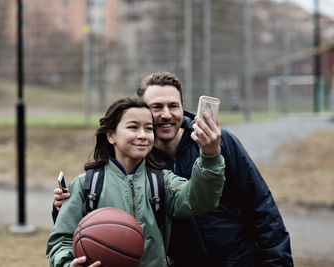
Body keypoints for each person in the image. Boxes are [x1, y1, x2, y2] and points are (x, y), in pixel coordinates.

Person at [53, 72, 293, 266]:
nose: (166, 115)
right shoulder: (131, 166)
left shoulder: (216, 144)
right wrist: (62, 209)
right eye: (156, 107)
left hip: (238, 260)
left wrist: (210, 154)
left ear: (182, 107)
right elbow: (77, 229)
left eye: (173, 106)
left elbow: (261, 206)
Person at [47, 97, 226, 267]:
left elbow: (200, 199)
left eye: (149, 129)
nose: (142, 135)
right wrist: (68, 263)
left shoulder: (163, 181)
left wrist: (210, 157)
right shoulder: (87, 184)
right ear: (111, 136)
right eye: (133, 127)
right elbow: (61, 240)